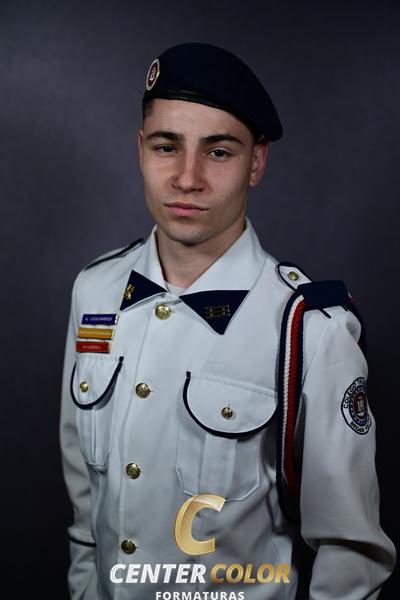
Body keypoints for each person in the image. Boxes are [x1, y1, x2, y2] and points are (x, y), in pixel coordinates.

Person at [60, 43, 396, 600]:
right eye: (167, 146)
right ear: (141, 149)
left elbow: (351, 557)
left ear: (256, 163)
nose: (187, 178)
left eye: (218, 152)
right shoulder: (94, 290)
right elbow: (85, 512)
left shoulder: (310, 329)